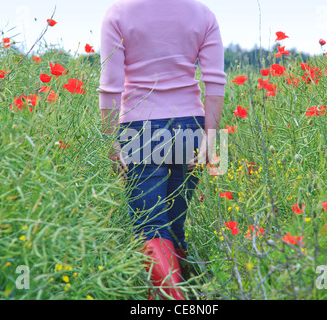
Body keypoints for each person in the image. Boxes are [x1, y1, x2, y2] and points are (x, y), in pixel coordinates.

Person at [98, 0, 226, 300]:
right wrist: (212, 138)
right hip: (191, 126)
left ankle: (169, 299)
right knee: (174, 223)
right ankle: (186, 293)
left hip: (140, 127)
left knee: (151, 226)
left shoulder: (118, 12)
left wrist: (110, 142)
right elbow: (215, 81)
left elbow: (110, 86)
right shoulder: (203, 13)